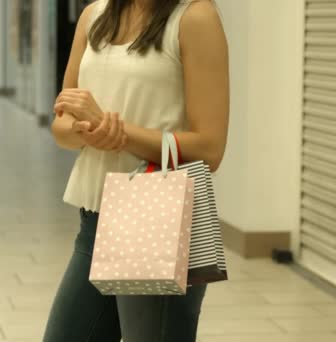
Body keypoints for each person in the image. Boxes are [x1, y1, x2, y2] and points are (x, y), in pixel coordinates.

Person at [45, 0, 229, 341]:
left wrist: (116, 132)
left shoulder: (194, 17)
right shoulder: (94, 15)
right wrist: (84, 131)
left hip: (157, 219)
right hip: (94, 219)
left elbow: (210, 147)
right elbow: (62, 124)